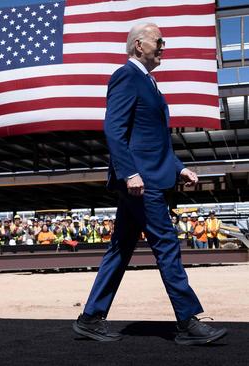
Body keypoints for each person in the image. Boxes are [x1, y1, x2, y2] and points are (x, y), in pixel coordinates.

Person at [72, 23, 227, 346]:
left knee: (120, 248)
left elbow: (153, 139)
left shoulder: (149, 82)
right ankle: (187, 321)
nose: (163, 46)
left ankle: (90, 318)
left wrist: (179, 167)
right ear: (139, 45)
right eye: (159, 41)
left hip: (146, 176)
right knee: (166, 244)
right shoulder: (127, 76)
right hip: (140, 182)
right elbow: (114, 129)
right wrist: (130, 173)